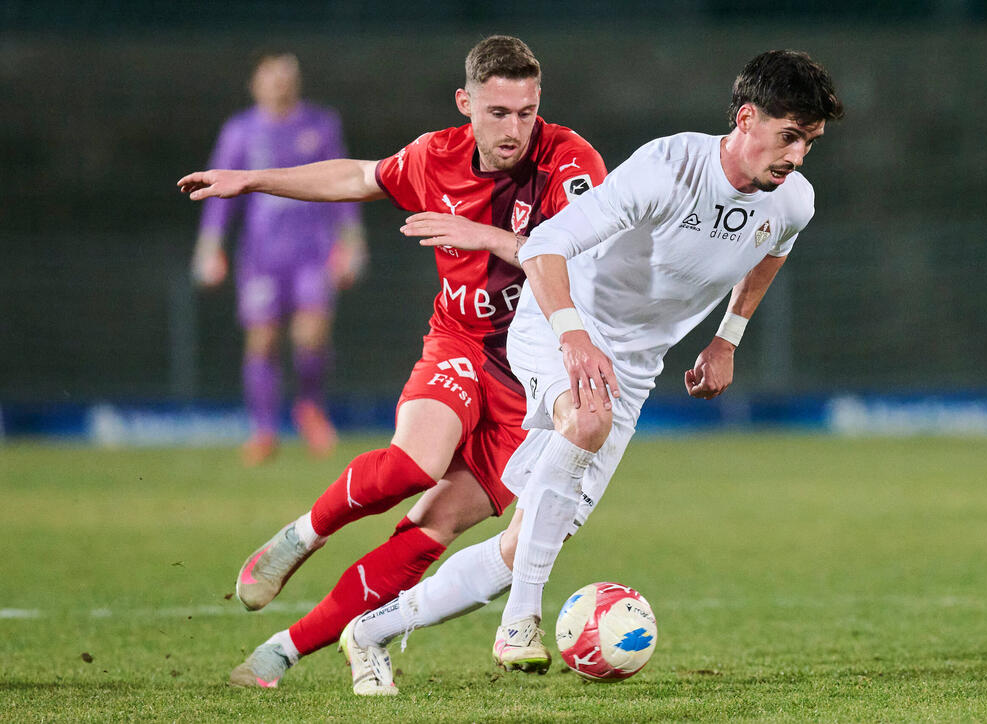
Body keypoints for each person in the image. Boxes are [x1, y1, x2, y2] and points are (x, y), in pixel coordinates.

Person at [335, 49, 844, 696]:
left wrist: (728, 338)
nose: (797, 155)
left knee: (525, 545)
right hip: (558, 323)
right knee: (587, 419)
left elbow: (772, 249)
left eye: (809, 142)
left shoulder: (793, 201)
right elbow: (546, 245)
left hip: (632, 369)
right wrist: (573, 338)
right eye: (790, 136)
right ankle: (519, 622)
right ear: (746, 118)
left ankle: (370, 632)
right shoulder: (667, 169)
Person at [178, 35, 607, 688]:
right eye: (498, 112)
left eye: (526, 112)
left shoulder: (571, 163)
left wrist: (484, 236)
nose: (514, 129)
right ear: (466, 103)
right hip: (461, 343)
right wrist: (255, 180)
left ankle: (285, 650)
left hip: (533, 381)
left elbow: (586, 260)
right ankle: (303, 535)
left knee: (434, 528)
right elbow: (358, 176)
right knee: (414, 464)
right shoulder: (435, 157)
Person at [191, 52, 368, 465]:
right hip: (261, 255)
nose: (280, 84)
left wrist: (352, 243)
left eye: (287, 77)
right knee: (263, 339)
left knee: (311, 334)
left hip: (313, 251)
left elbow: (345, 185)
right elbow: (219, 194)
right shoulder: (240, 131)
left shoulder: (320, 125)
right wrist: (209, 246)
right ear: (255, 84)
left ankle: (310, 407)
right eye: (272, 77)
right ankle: (264, 430)